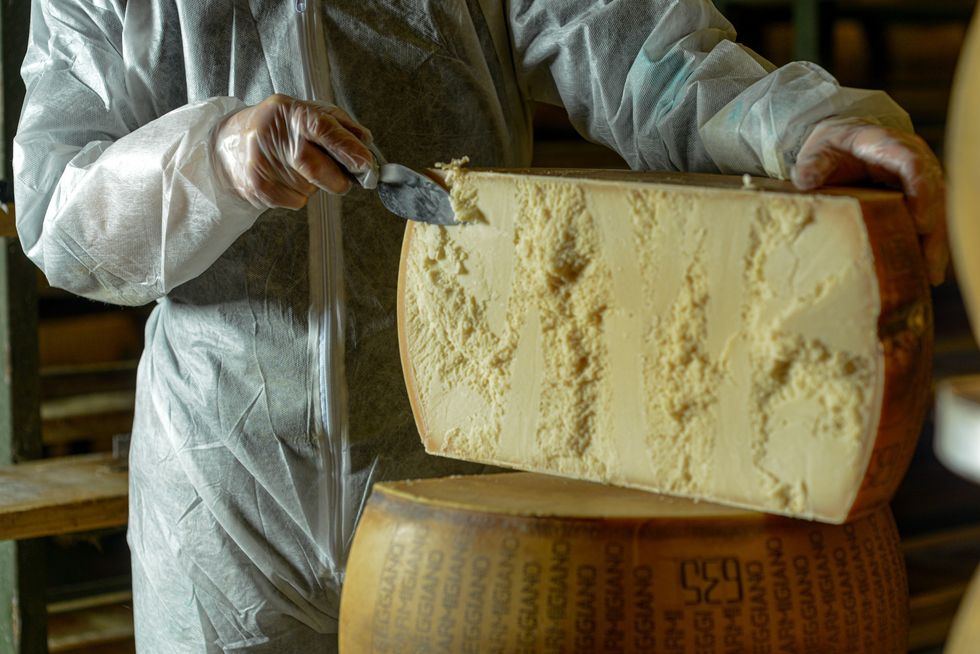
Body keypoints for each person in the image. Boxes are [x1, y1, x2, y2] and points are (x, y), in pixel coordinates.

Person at [13, 1, 946, 651]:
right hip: (222, 499)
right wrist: (212, 158)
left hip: (456, 484)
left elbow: (644, 53)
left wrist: (795, 125)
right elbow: (61, 216)